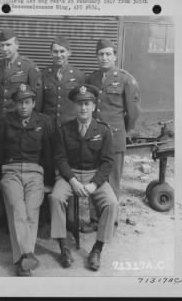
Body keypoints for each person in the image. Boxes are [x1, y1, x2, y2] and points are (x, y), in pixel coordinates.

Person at [49, 85, 118, 271]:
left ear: (94, 106)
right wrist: (72, 180)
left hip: (94, 176)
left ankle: (97, 249)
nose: (83, 108)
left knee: (111, 203)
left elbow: (107, 162)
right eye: (80, 104)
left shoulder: (103, 130)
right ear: (74, 107)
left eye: (87, 104)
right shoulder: (64, 129)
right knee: (55, 198)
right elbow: (60, 158)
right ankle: (63, 246)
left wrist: (94, 185)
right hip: (69, 175)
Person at [0, 84, 53, 277]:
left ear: (34, 103)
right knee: (16, 207)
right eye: (20, 103)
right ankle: (27, 255)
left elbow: (48, 153)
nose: (24, 106)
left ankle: (23, 260)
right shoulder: (5, 121)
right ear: (14, 104)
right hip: (10, 172)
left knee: (31, 209)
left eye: (27, 102)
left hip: (35, 173)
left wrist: (50, 179)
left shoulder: (43, 122)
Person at [87, 38, 140, 203]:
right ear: (97, 56)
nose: (104, 58)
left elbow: (133, 113)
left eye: (108, 54)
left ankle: (110, 222)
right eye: (101, 54)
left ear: (115, 56)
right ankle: (94, 219)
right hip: (94, 137)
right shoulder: (92, 79)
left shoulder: (125, 79)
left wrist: (122, 131)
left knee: (112, 180)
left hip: (115, 137)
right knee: (94, 179)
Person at [0, 29, 42, 119]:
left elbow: (37, 97)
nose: (4, 49)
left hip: (19, 119)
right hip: (0, 119)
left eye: (8, 45)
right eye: (2, 45)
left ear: (17, 45)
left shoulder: (28, 66)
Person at [42, 36, 85, 128]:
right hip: (48, 127)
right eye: (55, 52)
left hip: (71, 127)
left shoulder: (78, 75)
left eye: (62, 51)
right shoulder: (43, 74)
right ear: (50, 53)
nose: (59, 55)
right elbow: (38, 104)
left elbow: (83, 103)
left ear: (69, 53)